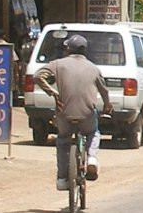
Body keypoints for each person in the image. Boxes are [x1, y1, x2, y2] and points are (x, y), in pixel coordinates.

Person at [37, 34, 111, 191]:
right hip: (87, 114)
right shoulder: (93, 68)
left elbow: (38, 76)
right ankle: (91, 157)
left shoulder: (57, 64)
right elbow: (104, 91)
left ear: (68, 49)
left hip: (64, 113)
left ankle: (62, 178)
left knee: (63, 140)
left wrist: (52, 92)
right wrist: (107, 106)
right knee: (93, 132)